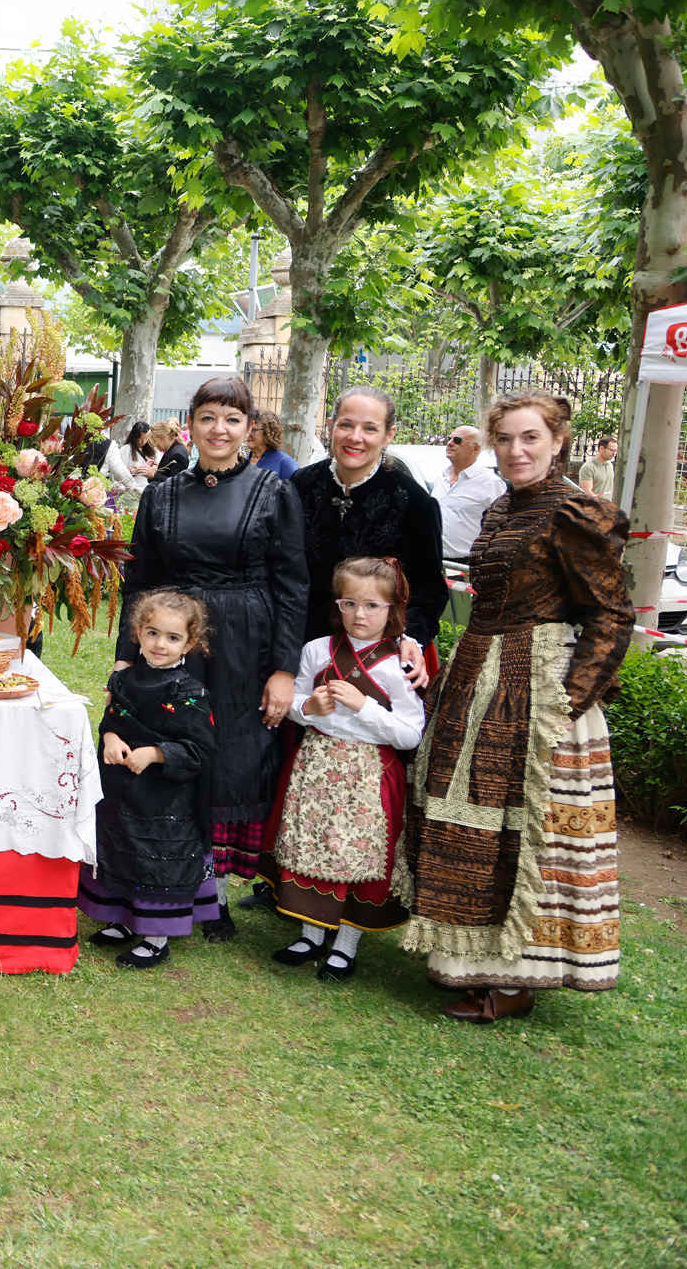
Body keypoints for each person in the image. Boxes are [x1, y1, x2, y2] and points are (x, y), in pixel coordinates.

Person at [396, 392, 631, 1024]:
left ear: (559, 442)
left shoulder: (575, 512)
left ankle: (520, 975)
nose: (517, 450)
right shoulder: (504, 506)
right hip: (483, 673)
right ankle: (473, 964)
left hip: (541, 686)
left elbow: (610, 615)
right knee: (470, 812)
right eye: (505, 439)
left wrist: (568, 700)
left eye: (531, 438)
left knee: (530, 830)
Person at [119, 376, 309, 938]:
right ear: (191, 425)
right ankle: (170, 880)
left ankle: (217, 889)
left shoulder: (274, 492)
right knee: (171, 747)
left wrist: (283, 670)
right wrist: (129, 657)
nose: (219, 430)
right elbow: (139, 581)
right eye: (208, 418)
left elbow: (293, 586)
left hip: (244, 643)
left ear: (249, 427)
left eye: (231, 419)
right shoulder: (161, 493)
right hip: (172, 642)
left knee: (230, 754)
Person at [259, 557, 426, 980]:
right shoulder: (317, 650)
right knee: (310, 848)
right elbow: (294, 705)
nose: (360, 615)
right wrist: (308, 708)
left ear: (392, 610)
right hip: (316, 766)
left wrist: (364, 706)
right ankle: (311, 935)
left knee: (356, 859)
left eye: (372, 606)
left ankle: (346, 945)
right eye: (349, 604)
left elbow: (410, 734)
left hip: (368, 775)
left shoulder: (399, 665)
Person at [79, 589, 218, 969]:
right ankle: (123, 921)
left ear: (189, 644)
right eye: (153, 633)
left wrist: (156, 754)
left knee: (155, 859)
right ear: (138, 633)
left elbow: (200, 751)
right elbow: (112, 721)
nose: (161, 644)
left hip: (165, 799)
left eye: (173, 638)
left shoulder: (190, 693)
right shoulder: (123, 679)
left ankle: (157, 937)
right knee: (122, 851)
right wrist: (109, 738)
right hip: (121, 792)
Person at [288, 387, 448, 659]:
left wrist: (412, 639)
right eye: (346, 424)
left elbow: (428, 589)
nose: (355, 437)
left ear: (389, 435)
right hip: (297, 644)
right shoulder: (298, 485)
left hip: (374, 654)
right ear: (331, 427)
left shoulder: (415, 503)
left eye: (370, 429)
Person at [429, 425, 507, 561]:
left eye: (457, 440)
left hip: (467, 566)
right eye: (449, 438)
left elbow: (502, 530)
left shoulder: (490, 483)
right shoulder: (441, 479)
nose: (449, 443)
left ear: (475, 448)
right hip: (436, 562)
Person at [101, 420, 156, 513]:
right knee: (132, 519)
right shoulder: (125, 450)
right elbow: (120, 474)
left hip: (147, 490)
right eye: (140, 438)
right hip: (131, 491)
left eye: (146, 438)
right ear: (134, 436)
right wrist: (136, 470)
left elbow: (158, 466)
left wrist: (150, 468)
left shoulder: (152, 449)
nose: (143, 441)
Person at [246, 409, 299, 478]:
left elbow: (295, 488)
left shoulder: (285, 463)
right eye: (247, 429)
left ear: (268, 433)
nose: (248, 434)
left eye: (253, 430)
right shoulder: (243, 462)